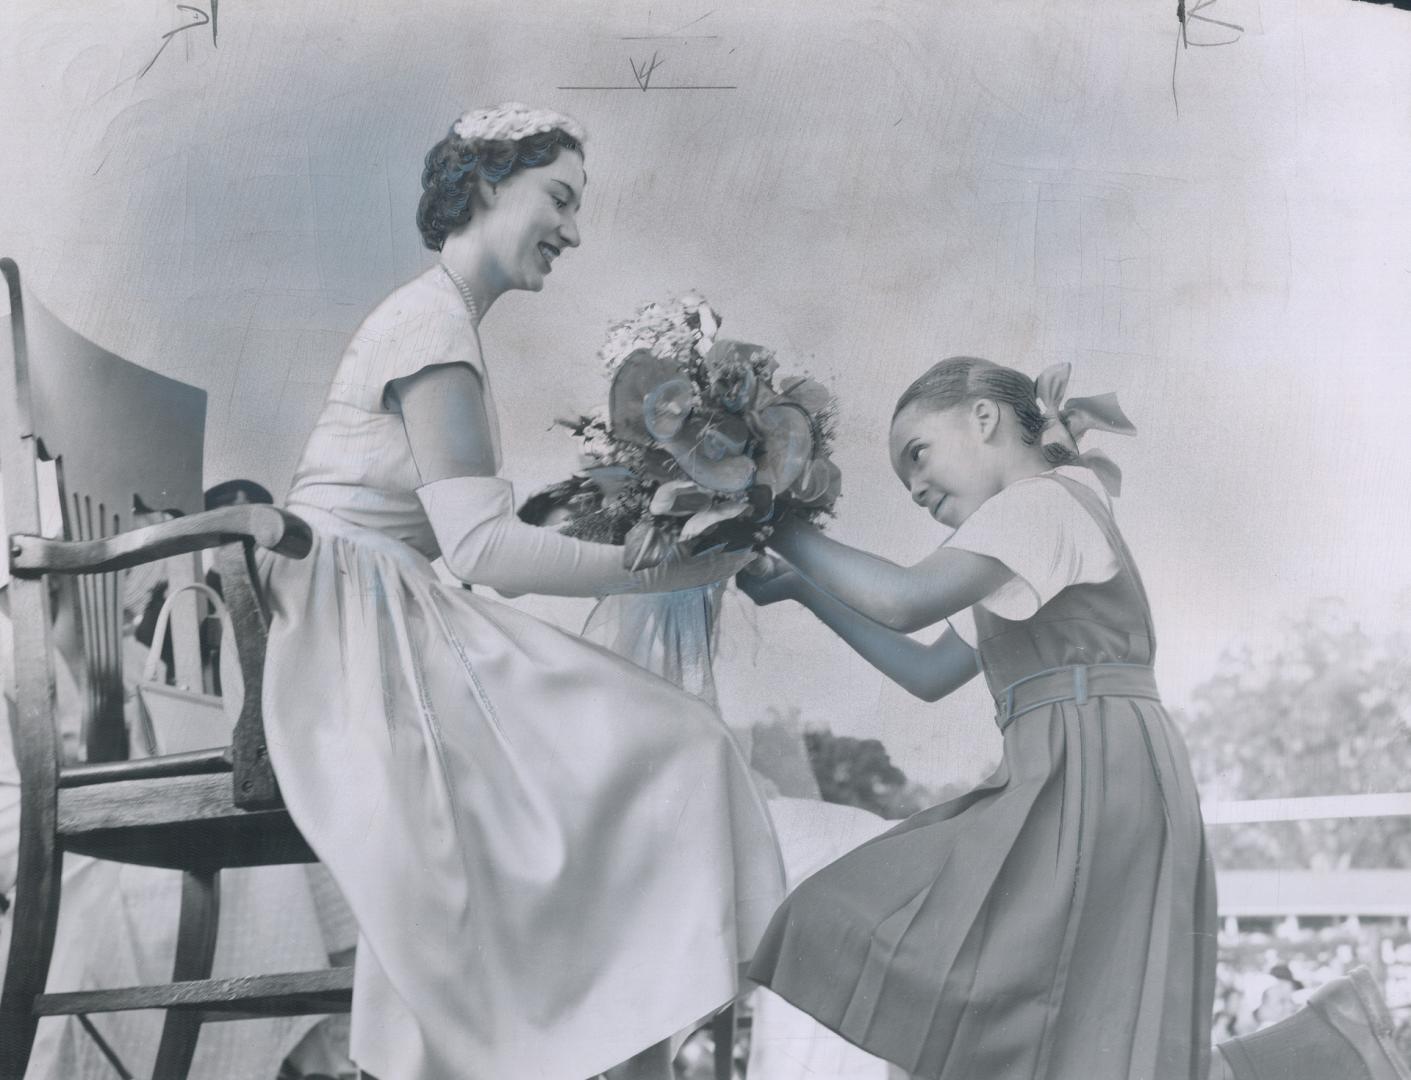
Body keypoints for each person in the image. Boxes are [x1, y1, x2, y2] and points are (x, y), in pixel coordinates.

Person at [257, 103, 784, 1080]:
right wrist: (671, 561)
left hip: (385, 605)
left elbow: (478, 528)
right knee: (673, 741)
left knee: (645, 739)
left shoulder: (439, 318)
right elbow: (483, 552)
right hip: (358, 628)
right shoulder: (431, 326)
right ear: (489, 183)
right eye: (559, 198)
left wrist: (652, 511)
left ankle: (609, 1035)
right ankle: (612, 1047)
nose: (574, 231)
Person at [738, 355, 1411, 1080]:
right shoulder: (1021, 534)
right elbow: (928, 672)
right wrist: (806, 592)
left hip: (1090, 770)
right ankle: (1331, 1049)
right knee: (1085, 1049)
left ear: (984, 418)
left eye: (918, 454)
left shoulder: (1037, 506)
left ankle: (1333, 1048)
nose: (915, 488)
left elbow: (903, 600)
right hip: (1080, 767)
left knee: (1037, 1025)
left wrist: (766, 514)